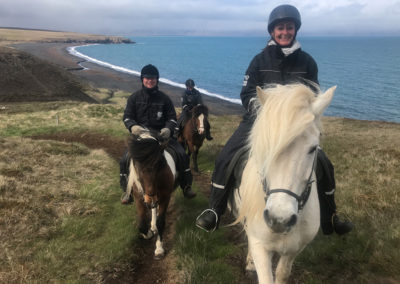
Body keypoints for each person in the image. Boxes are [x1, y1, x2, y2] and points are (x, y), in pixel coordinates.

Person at [196, 4, 353, 235]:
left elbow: (314, 97)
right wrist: (266, 115)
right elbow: (247, 93)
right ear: (272, 31)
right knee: (225, 157)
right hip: (259, 122)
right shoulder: (259, 61)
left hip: (296, 127)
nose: (285, 32)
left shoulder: (308, 63)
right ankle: (215, 211)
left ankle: (330, 217)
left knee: (324, 165)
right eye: (280, 28)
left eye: (289, 27)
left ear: (295, 30)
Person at [119, 64, 196, 203]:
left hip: (162, 137)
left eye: (153, 78)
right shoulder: (134, 98)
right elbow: (127, 117)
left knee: (182, 155)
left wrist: (168, 129)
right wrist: (133, 126)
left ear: (157, 80)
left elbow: (172, 118)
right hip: (141, 138)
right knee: (124, 159)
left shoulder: (165, 99)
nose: (150, 80)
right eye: (147, 78)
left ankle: (186, 186)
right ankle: (128, 191)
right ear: (142, 79)